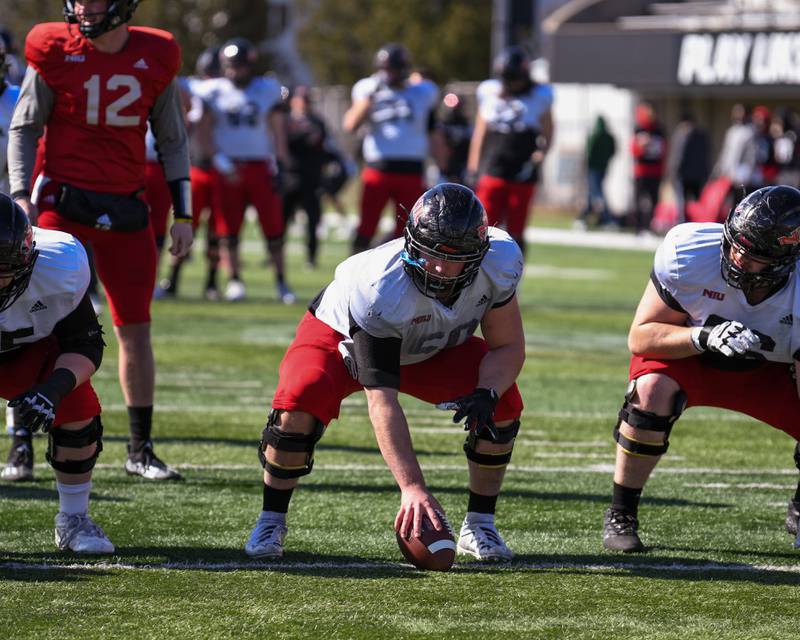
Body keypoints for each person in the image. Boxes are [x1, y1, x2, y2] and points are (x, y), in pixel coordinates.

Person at [244, 183, 526, 562]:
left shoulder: (499, 262)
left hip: (431, 345)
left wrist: (486, 392)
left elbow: (507, 346)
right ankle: (271, 518)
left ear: (477, 254)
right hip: (341, 338)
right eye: (431, 254)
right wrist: (412, 487)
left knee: (502, 400)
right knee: (298, 400)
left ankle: (479, 525)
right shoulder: (378, 285)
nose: (440, 267)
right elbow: (381, 401)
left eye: (454, 256)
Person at [7, 0, 193, 481]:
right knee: (31, 313)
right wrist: (20, 195)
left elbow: (172, 138)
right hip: (60, 200)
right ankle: (20, 443)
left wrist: (183, 212)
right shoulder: (53, 48)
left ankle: (140, 448)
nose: (84, 6)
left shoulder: (157, 54)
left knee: (135, 327)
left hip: (126, 203)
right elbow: (25, 125)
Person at [602, 185, 800, 553]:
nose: (738, 258)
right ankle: (621, 511)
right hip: (691, 356)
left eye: (752, 254)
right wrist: (702, 337)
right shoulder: (690, 250)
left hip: (771, 373)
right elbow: (641, 338)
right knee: (649, 393)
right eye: (735, 244)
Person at [0, 193, 112, 551]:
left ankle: (74, 520)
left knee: (77, 408)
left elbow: (86, 342)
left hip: (25, 350)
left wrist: (54, 389)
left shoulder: (60, 265)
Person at [202, 37, 294, 304]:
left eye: (239, 66)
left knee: (273, 228)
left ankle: (281, 281)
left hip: (259, 166)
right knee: (228, 229)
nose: (234, 71)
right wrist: (219, 161)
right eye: (230, 66)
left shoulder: (267, 89)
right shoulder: (213, 90)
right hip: (228, 166)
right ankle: (234, 280)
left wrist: (281, 164)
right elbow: (204, 132)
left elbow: (278, 131)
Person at [343, 43, 440, 253]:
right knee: (366, 226)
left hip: (412, 169)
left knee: (407, 231)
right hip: (378, 167)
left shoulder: (423, 91)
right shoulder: (368, 89)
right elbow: (350, 124)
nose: (388, 74)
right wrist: (370, 98)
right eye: (384, 69)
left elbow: (433, 131)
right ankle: (352, 272)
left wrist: (441, 164)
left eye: (392, 69)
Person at [467, 46, 554, 256]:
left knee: (516, 231)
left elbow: (549, 129)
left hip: (522, 170)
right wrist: (473, 167)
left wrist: (542, 153)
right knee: (482, 228)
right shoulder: (490, 92)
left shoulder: (539, 95)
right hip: (493, 167)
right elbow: (480, 134)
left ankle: (512, 279)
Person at [282, 85, 336, 268]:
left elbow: (324, 147)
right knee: (282, 218)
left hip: (311, 177)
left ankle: (311, 256)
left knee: (313, 219)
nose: (304, 103)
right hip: (290, 177)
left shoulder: (317, 122)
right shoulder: (285, 121)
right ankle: (276, 254)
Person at [667, 111, 710, 225]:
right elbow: (707, 155)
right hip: (699, 175)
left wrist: (673, 173)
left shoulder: (682, 135)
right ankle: (698, 223)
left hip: (683, 175)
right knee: (697, 204)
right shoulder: (702, 135)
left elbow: (678, 156)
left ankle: (682, 224)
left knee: (682, 203)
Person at [631, 102, 667, 235]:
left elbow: (663, 150)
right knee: (638, 200)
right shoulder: (638, 129)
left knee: (653, 201)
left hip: (655, 171)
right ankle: (638, 227)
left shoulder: (659, 130)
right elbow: (633, 149)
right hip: (641, 171)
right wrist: (642, 146)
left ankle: (649, 226)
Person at [576, 114, 616, 229]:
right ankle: (585, 216)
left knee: (597, 193)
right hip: (603, 168)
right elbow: (613, 151)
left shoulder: (594, 136)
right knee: (591, 193)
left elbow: (589, 152)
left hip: (593, 169)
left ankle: (607, 218)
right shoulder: (609, 137)